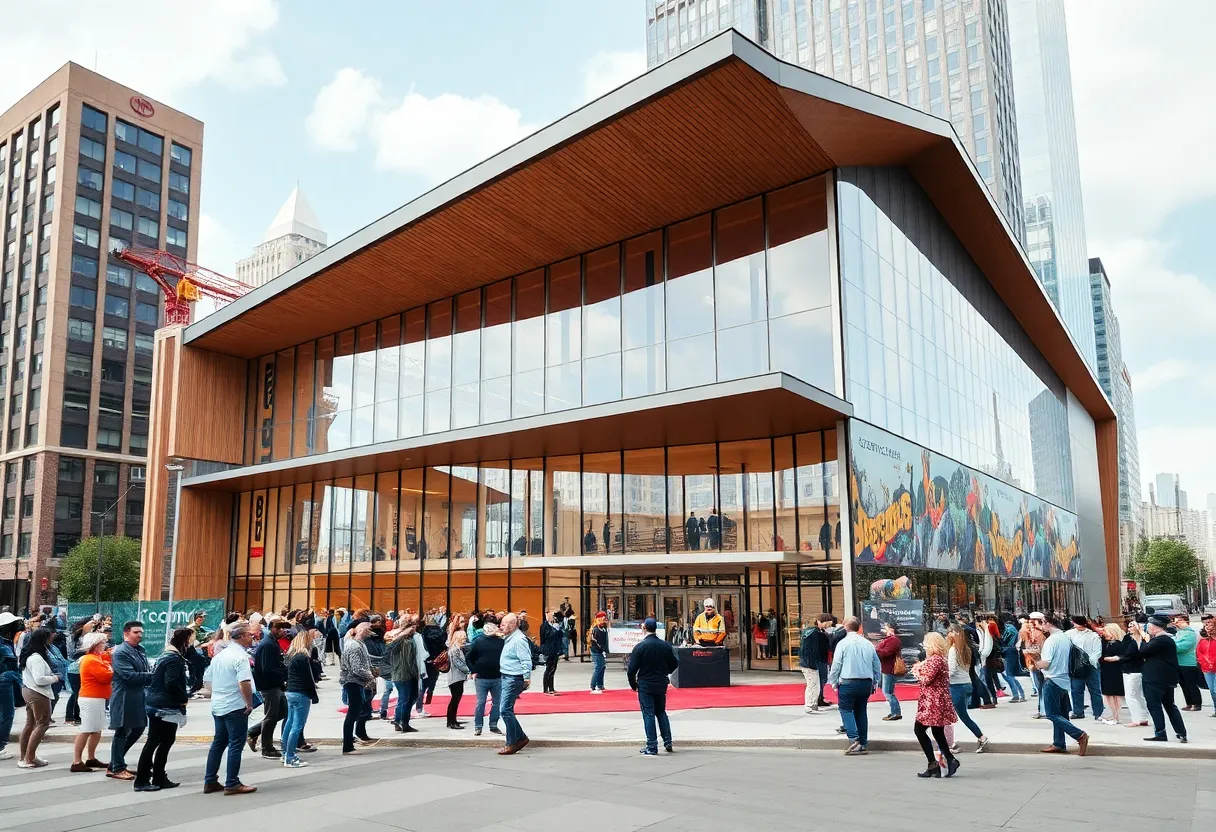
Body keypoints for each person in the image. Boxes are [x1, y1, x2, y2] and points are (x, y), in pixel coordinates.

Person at [203, 622, 257, 795]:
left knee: (219, 742)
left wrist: (218, 693)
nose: (252, 637)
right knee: (236, 743)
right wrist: (249, 703)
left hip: (219, 704)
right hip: (235, 705)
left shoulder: (220, 656)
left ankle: (210, 780)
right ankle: (232, 782)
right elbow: (244, 682)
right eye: (249, 635)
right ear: (241, 637)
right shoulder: (240, 657)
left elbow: (208, 680)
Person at [135, 627, 191, 791]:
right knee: (160, 741)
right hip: (165, 705)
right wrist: (183, 698)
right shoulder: (174, 659)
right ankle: (145, 779)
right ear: (184, 642)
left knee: (158, 741)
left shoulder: (166, 656)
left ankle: (156, 777)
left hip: (157, 703)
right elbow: (171, 683)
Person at [1034, 614, 1090, 755]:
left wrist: (1035, 662)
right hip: (1065, 680)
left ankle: (1079, 735)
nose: (1041, 626)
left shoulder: (1051, 640)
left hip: (1052, 679)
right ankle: (1059, 743)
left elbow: (1046, 663)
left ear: (1047, 623)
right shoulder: (1066, 637)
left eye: (1042, 623)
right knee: (1062, 715)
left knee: (1052, 714)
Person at [827, 616, 880, 755]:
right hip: (866, 683)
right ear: (859, 627)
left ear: (845, 627)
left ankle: (854, 738)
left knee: (846, 710)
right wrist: (875, 681)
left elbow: (837, 664)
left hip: (848, 682)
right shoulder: (868, 644)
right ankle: (863, 742)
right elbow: (876, 664)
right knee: (861, 711)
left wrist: (833, 681)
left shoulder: (843, 644)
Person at [107, 621, 153, 780]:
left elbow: (143, 671)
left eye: (141, 632)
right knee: (122, 731)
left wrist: (149, 676)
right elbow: (129, 676)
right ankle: (117, 767)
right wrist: (154, 676)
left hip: (138, 695)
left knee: (139, 727)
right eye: (136, 632)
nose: (140, 635)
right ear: (126, 633)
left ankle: (115, 763)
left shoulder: (140, 650)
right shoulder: (121, 652)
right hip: (124, 696)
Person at [1132, 614, 1187, 743]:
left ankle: (1160, 732)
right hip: (1166, 678)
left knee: (1154, 705)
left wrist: (1138, 639)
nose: (1148, 629)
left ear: (1155, 628)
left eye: (1149, 627)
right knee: (1169, 705)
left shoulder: (1160, 640)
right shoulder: (1166, 640)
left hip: (1155, 678)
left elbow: (1143, 651)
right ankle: (1181, 732)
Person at [911, 632, 960, 778]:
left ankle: (934, 763)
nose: (925, 647)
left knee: (919, 729)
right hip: (937, 700)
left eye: (926, 644)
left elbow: (925, 679)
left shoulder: (935, 660)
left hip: (933, 701)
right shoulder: (939, 659)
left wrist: (916, 670)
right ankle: (948, 760)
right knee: (937, 732)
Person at [628, 618, 679, 755]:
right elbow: (675, 663)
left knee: (648, 713)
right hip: (660, 682)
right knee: (661, 712)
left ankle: (652, 745)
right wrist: (665, 671)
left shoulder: (640, 647)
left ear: (644, 628)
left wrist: (634, 685)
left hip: (645, 683)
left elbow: (631, 669)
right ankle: (667, 741)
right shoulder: (665, 645)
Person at [246, 617, 290, 757]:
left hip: (276, 684)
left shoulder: (272, 643)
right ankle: (267, 747)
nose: (283, 631)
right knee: (271, 715)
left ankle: (253, 732)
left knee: (282, 712)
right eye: (280, 628)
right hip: (269, 686)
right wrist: (283, 672)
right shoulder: (268, 644)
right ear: (273, 629)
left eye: (284, 628)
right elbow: (267, 669)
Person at [16, 626, 59, 768]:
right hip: (38, 693)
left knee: (30, 724)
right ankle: (29, 758)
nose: (52, 638)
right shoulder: (36, 658)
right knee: (42, 724)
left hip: (29, 691)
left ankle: (26, 757)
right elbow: (39, 679)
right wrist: (54, 678)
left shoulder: (30, 655)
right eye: (50, 637)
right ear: (43, 639)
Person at [70, 632, 111, 772]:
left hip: (97, 698)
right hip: (91, 698)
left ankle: (91, 758)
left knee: (96, 730)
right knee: (87, 729)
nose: (105, 646)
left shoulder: (96, 657)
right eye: (102, 643)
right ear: (95, 645)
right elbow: (105, 677)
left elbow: (107, 658)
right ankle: (77, 761)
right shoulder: (91, 660)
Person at [946, 625, 991, 753]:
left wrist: (943, 678)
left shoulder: (953, 649)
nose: (947, 635)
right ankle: (951, 742)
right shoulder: (966, 648)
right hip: (966, 684)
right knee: (961, 715)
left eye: (949, 633)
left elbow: (952, 669)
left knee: (954, 716)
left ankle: (979, 737)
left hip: (956, 685)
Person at [282, 630, 319, 768]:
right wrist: (313, 696)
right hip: (301, 692)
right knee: (297, 725)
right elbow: (308, 678)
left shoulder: (291, 655)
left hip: (290, 691)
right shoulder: (303, 657)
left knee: (290, 723)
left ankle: (286, 752)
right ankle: (290, 757)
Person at [497, 613, 533, 755]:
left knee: (505, 710)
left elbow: (526, 660)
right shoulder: (510, 637)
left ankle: (512, 742)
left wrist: (526, 677)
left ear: (512, 625)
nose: (501, 626)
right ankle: (521, 738)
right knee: (506, 710)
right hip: (507, 676)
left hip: (513, 678)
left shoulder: (519, 640)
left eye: (504, 624)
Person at [339, 622, 377, 754]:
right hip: (353, 682)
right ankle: (348, 746)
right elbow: (356, 668)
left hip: (357, 682)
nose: (369, 631)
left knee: (355, 712)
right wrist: (370, 675)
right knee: (352, 714)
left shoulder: (359, 644)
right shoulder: (354, 645)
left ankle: (349, 743)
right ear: (359, 630)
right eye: (367, 629)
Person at [384, 618, 425, 733]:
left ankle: (400, 720)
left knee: (410, 697)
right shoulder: (403, 641)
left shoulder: (410, 640)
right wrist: (404, 631)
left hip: (407, 673)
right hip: (403, 674)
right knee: (405, 698)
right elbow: (408, 659)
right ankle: (402, 721)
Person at [465, 620, 504, 737]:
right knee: (481, 703)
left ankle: (493, 724)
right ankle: (478, 726)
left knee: (496, 703)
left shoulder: (501, 642)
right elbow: (469, 658)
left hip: (497, 677)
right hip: (482, 678)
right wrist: (473, 671)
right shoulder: (478, 642)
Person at [1064, 616, 1103, 720]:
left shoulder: (1093, 635)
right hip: (1076, 666)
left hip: (1091, 665)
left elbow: (1097, 651)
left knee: (1094, 690)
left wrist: (1088, 661)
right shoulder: (1069, 634)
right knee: (1076, 689)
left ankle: (1098, 712)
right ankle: (1078, 711)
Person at [0, 611, 24, 762]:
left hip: (6, 681)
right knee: (7, 714)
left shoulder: (6, 642)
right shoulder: (3, 645)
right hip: (5, 683)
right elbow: (10, 667)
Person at [1097, 623, 1130, 726]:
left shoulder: (1120, 644)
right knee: (1108, 693)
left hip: (1115, 669)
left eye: (1106, 631)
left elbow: (1123, 656)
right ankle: (1112, 713)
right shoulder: (1103, 642)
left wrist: (1114, 658)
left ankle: (1116, 715)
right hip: (1105, 669)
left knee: (1115, 693)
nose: (1104, 633)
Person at [799, 614, 831, 713]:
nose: (828, 625)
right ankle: (810, 705)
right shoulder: (815, 633)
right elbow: (810, 650)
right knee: (813, 684)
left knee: (814, 684)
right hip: (810, 663)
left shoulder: (813, 632)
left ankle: (813, 705)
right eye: (827, 623)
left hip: (809, 663)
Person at [1171, 614, 1203, 711]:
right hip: (1179, 662)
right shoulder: (1179, 633)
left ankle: (1197, 703)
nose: (1176, 624)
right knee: (1183, 684)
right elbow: (1174, 642)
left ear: (1186, 621)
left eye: (1179, 621)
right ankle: (1189, 703)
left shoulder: (1190, 633)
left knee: (1191, 684)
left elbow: (1182, 646)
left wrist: (1172, 646)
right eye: (1175, 622)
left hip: (1188, 663)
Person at [875, 622, 903, 721]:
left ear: (891, 629)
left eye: (886, 627)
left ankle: (896, 712)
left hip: (889, 668)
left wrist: (876, 649)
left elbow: (886, 653)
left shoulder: (893, 640)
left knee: (887, 692)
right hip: (887, 667)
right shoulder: (891, 639)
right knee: (888, 691)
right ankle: (894, 712)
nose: (884, 629)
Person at [998, 614, 1026, 702]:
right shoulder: (1010, 628)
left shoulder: (1009, 629)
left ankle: (1017, 694)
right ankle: (1020, 694)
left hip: (1009, 651)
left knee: (1009, 674)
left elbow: (1005, 641)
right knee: (1009, 674)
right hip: (1010, 651)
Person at [446, 630, 470, 729]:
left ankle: (452, 720)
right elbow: (458, 664)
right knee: (455, 699)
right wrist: (469, 670)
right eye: (463, 637)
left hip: (457, 677)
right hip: (455, 677)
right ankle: (451, 721)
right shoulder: (455, 650)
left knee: (455, 699)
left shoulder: (457, 648)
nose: (465, 639)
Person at [540, 611, 564, 695]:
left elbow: (560, 635)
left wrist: (558, 629)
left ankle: (551, 687)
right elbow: (548, 636)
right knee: (549, 669)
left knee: (553, 669)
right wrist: (555, 630)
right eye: (551, 616)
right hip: (549, 650)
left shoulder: (554, 626)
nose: (553, 618)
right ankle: (546, 688)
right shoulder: (545, 626)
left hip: (555, 649)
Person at [1199, 616, 1216, 717]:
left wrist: (1212, 661)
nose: (1208, 627)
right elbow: (1199, 652)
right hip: (1207, 668)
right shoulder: (1203, 640)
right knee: (1212, 689)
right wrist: (1204, 661)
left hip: (1213, 666)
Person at [589, 612, 609, 693]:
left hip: (600, 650)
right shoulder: (596, 629)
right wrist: (602, 649)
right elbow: (596, 642)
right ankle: (593, 686)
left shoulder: (603, 628)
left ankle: (600, 685)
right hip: (596, 650)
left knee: (602, 667)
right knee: (598, 667)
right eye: (603, 619)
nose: (604, 620)